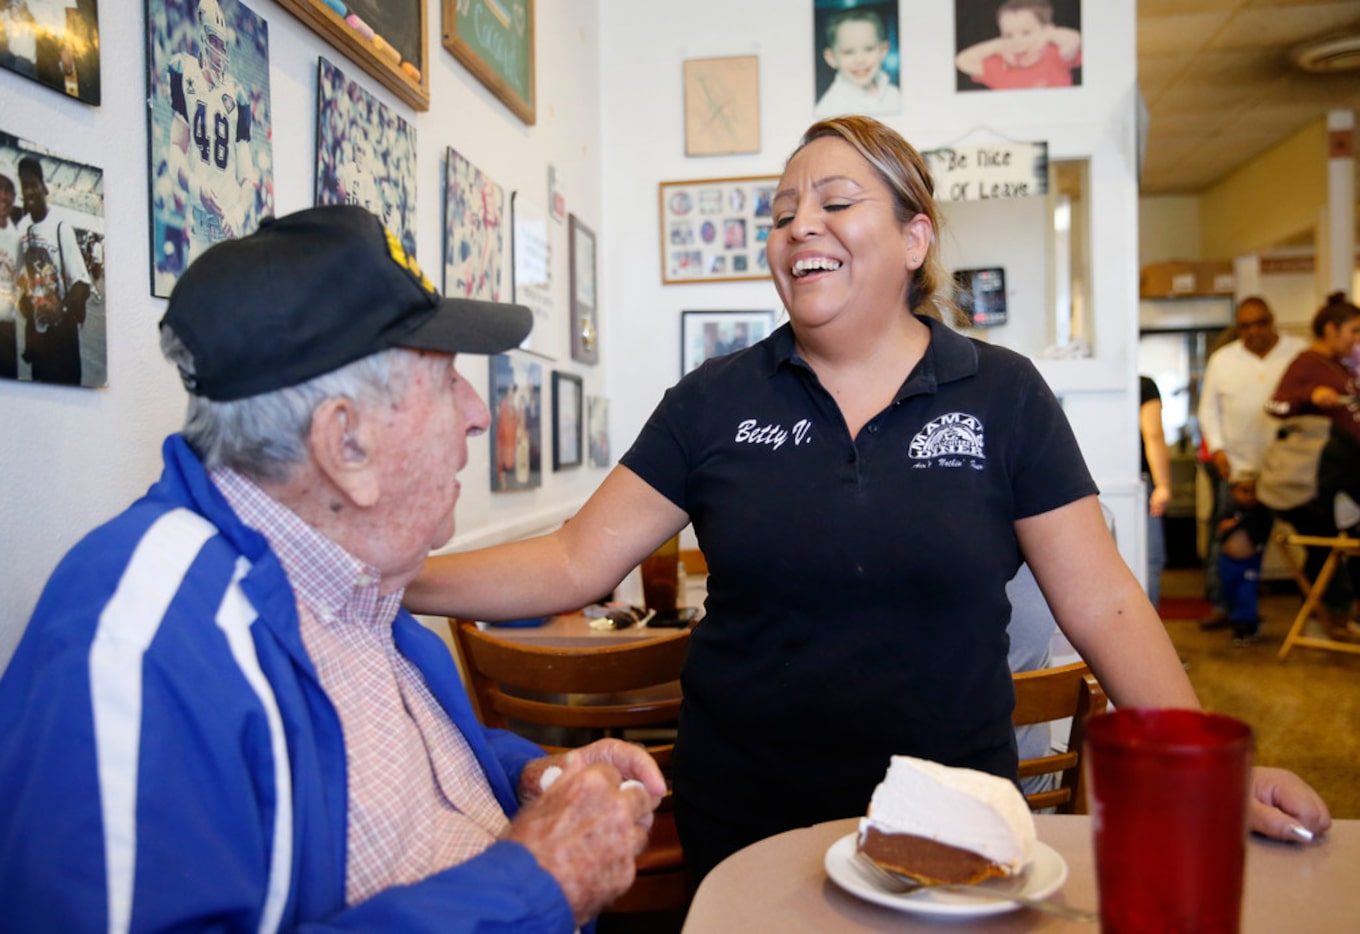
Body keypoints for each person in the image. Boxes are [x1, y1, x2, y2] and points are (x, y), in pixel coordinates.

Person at [407, 116, 1331, 881]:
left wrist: (1218, 768)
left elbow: (1106, 601)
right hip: (749, 821)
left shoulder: (1004, 395)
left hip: (954, 817)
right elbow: (576, 559)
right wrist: (395, 575)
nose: (800, 224)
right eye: (782, 213)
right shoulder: (714, 400)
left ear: (915, 236)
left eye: (836, 202)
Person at [0, 205, 665, 931]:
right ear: (345, 444)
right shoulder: (135, 644)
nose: (478, 412)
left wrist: (530, 776)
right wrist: (539, 882)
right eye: (446, 382)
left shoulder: (354, 576)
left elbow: (409, 767)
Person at [1196, 296, 1306, 632]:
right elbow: (1207, 409)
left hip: (1289, 467)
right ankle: (1224, 607)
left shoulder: (1299, 351)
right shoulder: (1223, 359)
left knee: (1309, 535)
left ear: (1272, 321)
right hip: (1236, 467)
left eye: (1260, 323)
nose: (1253, 331)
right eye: (1245, 325)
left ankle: (1320, 603)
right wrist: (1217, 449)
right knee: (1228, 539)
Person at [1266, 293, 1360, 641]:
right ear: (1331, 329)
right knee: (1324, 540)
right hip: (1324, 471)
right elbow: (1275, 405)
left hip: (1345, 467)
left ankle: (1338, 613)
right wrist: (1310, 395)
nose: (1356, 339)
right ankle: (1332, 615)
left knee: (1342, 540)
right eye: (1352, 331)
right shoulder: (1307, 363)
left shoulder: (1345, 364)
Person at [165, 0, 261, 265]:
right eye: (214, 42)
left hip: (227, 226)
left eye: (222, 44)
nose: (219, 51)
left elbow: (249, 179)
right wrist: (198, 188)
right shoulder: (184, 73)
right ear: (202, 37)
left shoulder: (237, 96)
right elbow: (175, 149)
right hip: (198, 225)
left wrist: (238, 213)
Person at [15, 155, 90, 386]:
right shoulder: (22, 229)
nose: (29, 192)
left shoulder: (60, 226)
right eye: (24, 186)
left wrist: (62, 307)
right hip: (38, 336)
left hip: (63, 335)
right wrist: (26, 304)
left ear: (44, 188)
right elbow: (19, 280)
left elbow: (82, 284)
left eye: (33, 185)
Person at [955, 0, 1082, 90]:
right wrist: (998, 44)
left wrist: (1048, 35)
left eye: (1026, 32)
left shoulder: (1056, 55)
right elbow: (962, 61)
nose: (1017, 41)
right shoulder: (1001, 65)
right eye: (1009, 35)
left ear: (1047, 30)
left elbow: (1074, 40)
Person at [1213, 471, 1275, 644]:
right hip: (1227, 562)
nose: (1250, 496)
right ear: (1233, 492)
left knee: (1246, 593)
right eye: (1245, 491)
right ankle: (1240, 620)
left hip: (1249, 562)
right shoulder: (1228, 510)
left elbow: (1261, 533)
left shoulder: (1261, 512)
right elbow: (1219, 529)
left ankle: (1246, 625)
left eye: (1253, 491)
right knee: (1230, 591)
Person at [812, 8, 901, 119]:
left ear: (883, 49)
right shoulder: (828, 108)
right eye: (848, 52)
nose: (860, 60)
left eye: (869, 49)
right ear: (831, 58)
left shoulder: (894, 94)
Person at [1139, 375, 1172, 609]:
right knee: (1149, 559)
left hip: (1084, 480)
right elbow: (1153, 433)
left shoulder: (1083, 381)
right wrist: (1163, 485)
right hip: (1137, 483)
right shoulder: (1142, 385)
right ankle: (1145, 633)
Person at [0, 170, 19, 379]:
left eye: (8, 190)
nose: (3, 196)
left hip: (7, 332)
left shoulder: (17, 239)